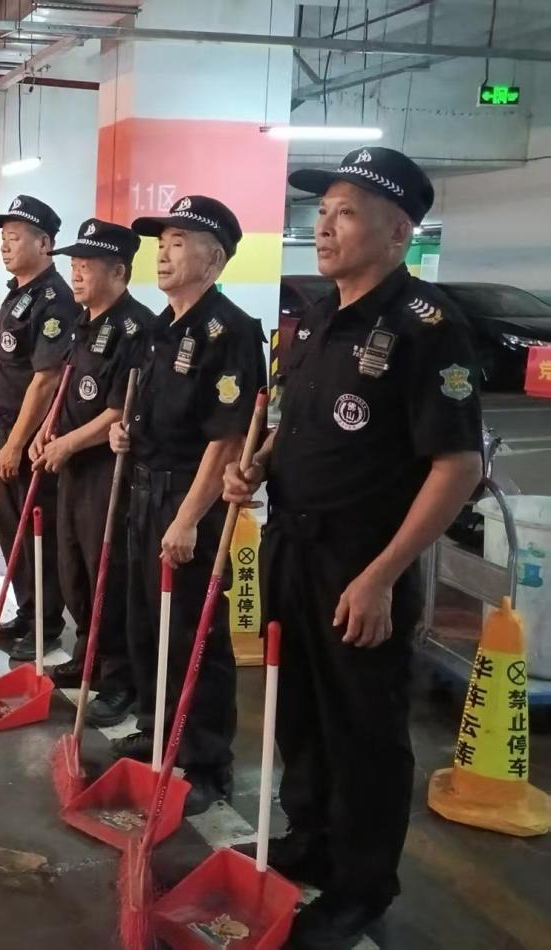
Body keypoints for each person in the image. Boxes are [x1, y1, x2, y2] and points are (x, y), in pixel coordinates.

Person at [224, 147, 482, 948]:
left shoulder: (427, 328)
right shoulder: (312, 317)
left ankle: (360, 887)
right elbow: (291, 426)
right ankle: (308, 838)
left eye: (344, 213)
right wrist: (254, 466)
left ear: (398, 231)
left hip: (360, 563)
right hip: (291, 546)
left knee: (362, 730)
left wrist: (379, 578)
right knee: (297, 709)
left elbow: (457, 466)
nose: (323, 226)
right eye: (321, 211)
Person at [107, 195, 266, 814]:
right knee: (148, 620)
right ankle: (158, 727)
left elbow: (227, 437)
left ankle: (205, 760)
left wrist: (188, 518)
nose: (163, 254)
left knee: (195, 632)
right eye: (161, 242)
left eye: (178, 243)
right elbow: (146, 408)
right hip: (144, 488)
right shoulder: (160, 328)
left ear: (214, 258)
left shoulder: (230, 331)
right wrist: (124, 432)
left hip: (186, 497)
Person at [29, 218, 152, 726]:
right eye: (74, 265)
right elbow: (66, 390)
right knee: (74, 569)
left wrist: (68, 444)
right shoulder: (83, 322)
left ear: (118, 271)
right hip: (73, 469)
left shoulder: (135, 329)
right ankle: (89, 658)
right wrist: (46, 431)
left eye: (86, 266)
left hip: (109, 472)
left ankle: (119, 679)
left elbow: (119, 410)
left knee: (109, 574)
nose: (75, 275)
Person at [0, 195, 79, 659]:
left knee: (37, 534)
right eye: (3, 239)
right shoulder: (19, 293)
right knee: (13, 532)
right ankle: (28, 611)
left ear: (44, 243)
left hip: (29, 440)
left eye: (14, 238)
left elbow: (47, 380)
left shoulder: (54, 300)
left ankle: (46, 623)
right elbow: (16, 363)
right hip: (5, 429)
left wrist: (16, 444)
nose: (5, 247)